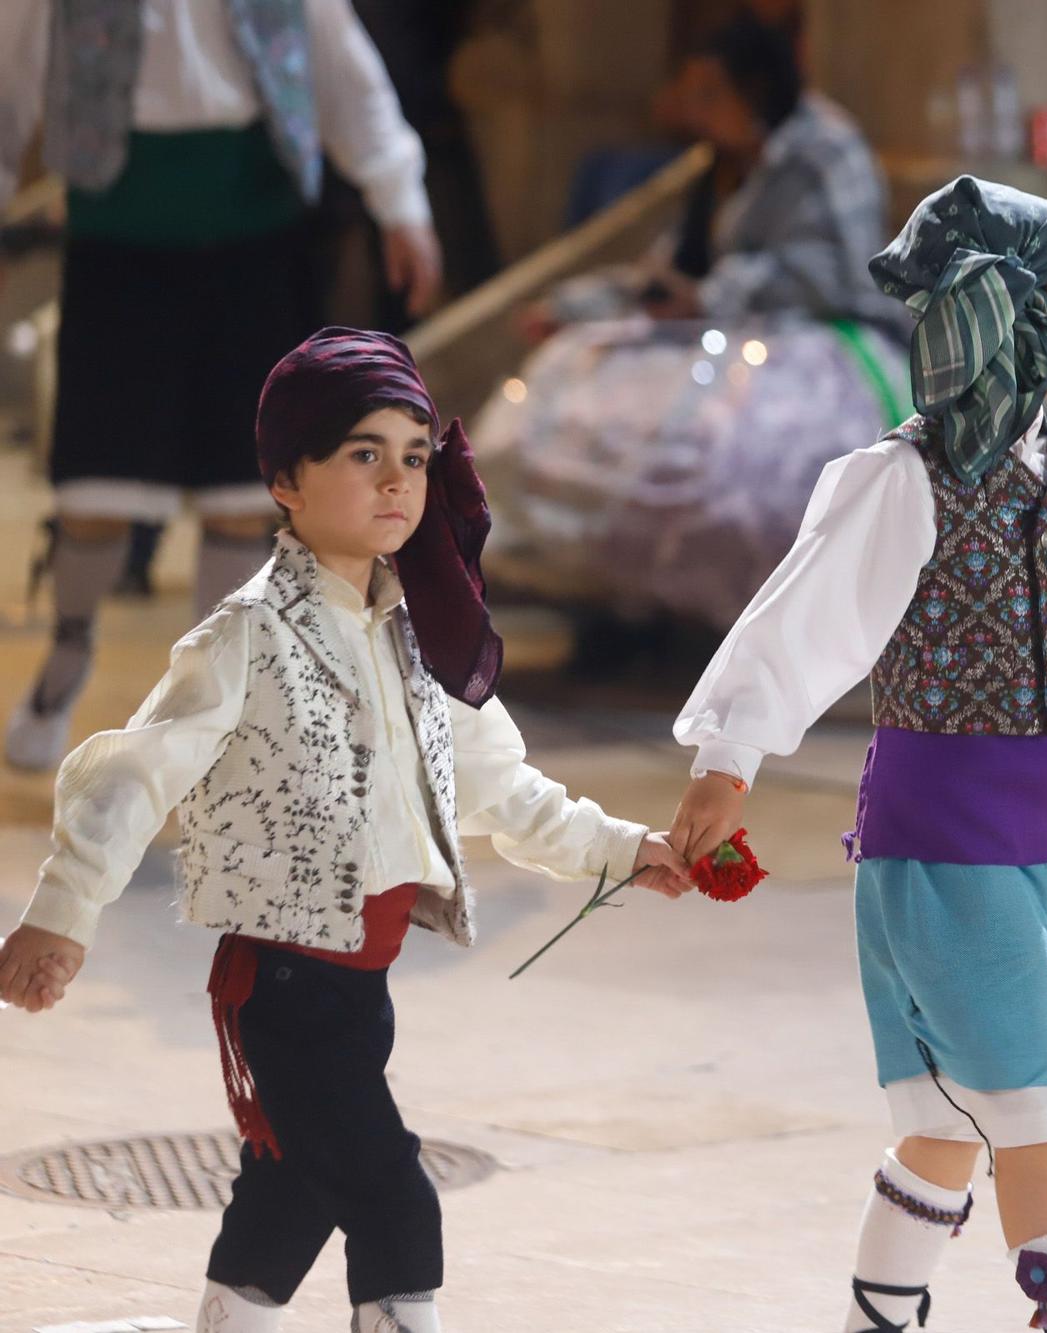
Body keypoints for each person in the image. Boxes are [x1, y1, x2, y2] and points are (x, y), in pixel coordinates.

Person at [665, 176, 1047, 1333]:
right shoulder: (906, 479)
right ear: (1008, 312)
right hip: (941, 862)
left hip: (1035, 864)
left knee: (949, 1129)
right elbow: (802, 620)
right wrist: (728, 754)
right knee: (1039, 1133)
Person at [0, 329, 683, 1333]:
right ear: (286, 478)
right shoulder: (247, 632)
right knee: (391, 1196)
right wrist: (60, 913)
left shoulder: (424, 633)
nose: (397, 481)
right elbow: (130, 773)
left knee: (296, 1186)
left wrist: (624, 849)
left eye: (413, 455)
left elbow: (498, 787)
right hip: (282, 981)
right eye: (363, 454)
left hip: (359, 984)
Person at [0, 0, 446, 772]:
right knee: (95, 495)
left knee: (246, 497)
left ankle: (216, 703)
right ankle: (67, 652)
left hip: (257, 247)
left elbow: (349, 83)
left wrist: (400, 203)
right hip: (121, 246)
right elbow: (6, 93)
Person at [478, 13, 909, 632]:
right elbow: (672, 266)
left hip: (826, 348)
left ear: (755, 90)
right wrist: (576, 308)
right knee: (584, 398)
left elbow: (840, 274)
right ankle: (635, 616)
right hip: (724, 340)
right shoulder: (721, 164)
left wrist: (713, 296)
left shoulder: (824, 152)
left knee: (732, 457)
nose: (693, 111)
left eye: (711, 94)